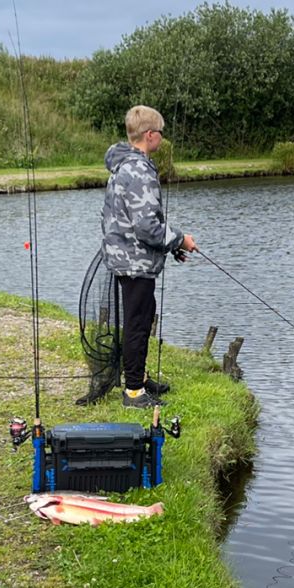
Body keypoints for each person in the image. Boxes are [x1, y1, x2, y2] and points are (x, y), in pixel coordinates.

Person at [100, 104, 196, 408]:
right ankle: (133, 392)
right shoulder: (139, 169)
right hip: (134, 261)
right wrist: (181, 239)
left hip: (128, 256)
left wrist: (173, 247)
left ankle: (138, 377)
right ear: (150, 135)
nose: (162, 139)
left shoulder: (123, 164)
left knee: (142, 316)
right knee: (138, 323)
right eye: (161, 134)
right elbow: (147, 227)